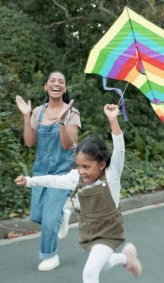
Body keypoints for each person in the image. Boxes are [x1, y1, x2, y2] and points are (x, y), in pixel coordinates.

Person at [15, 104, 142, 282]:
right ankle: (125, 258)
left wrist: (113, 119)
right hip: (90, 232)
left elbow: (119, 148)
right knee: (104, 264)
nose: (81, 171)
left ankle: (124, 258)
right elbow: (53, 180)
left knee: (90, 271)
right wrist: (29, 181)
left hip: (109, 231)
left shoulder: (112, 175)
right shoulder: (76, 177)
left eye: (87, 167)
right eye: (79, 166)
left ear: (102, 164)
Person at [15, 71, 81, 272]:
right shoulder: (37, 112)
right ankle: (62, 216)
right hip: (42, 170)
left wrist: (61, 121)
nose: (56, 83)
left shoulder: (72, 112)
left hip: (64, 172)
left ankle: (50, 255)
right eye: (52, 81)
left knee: (49, 218)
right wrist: (26, 116)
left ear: (65, 89)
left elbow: (67, 144)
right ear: (46, 86)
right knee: (37, 216)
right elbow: (29, 142)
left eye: (61, 81)